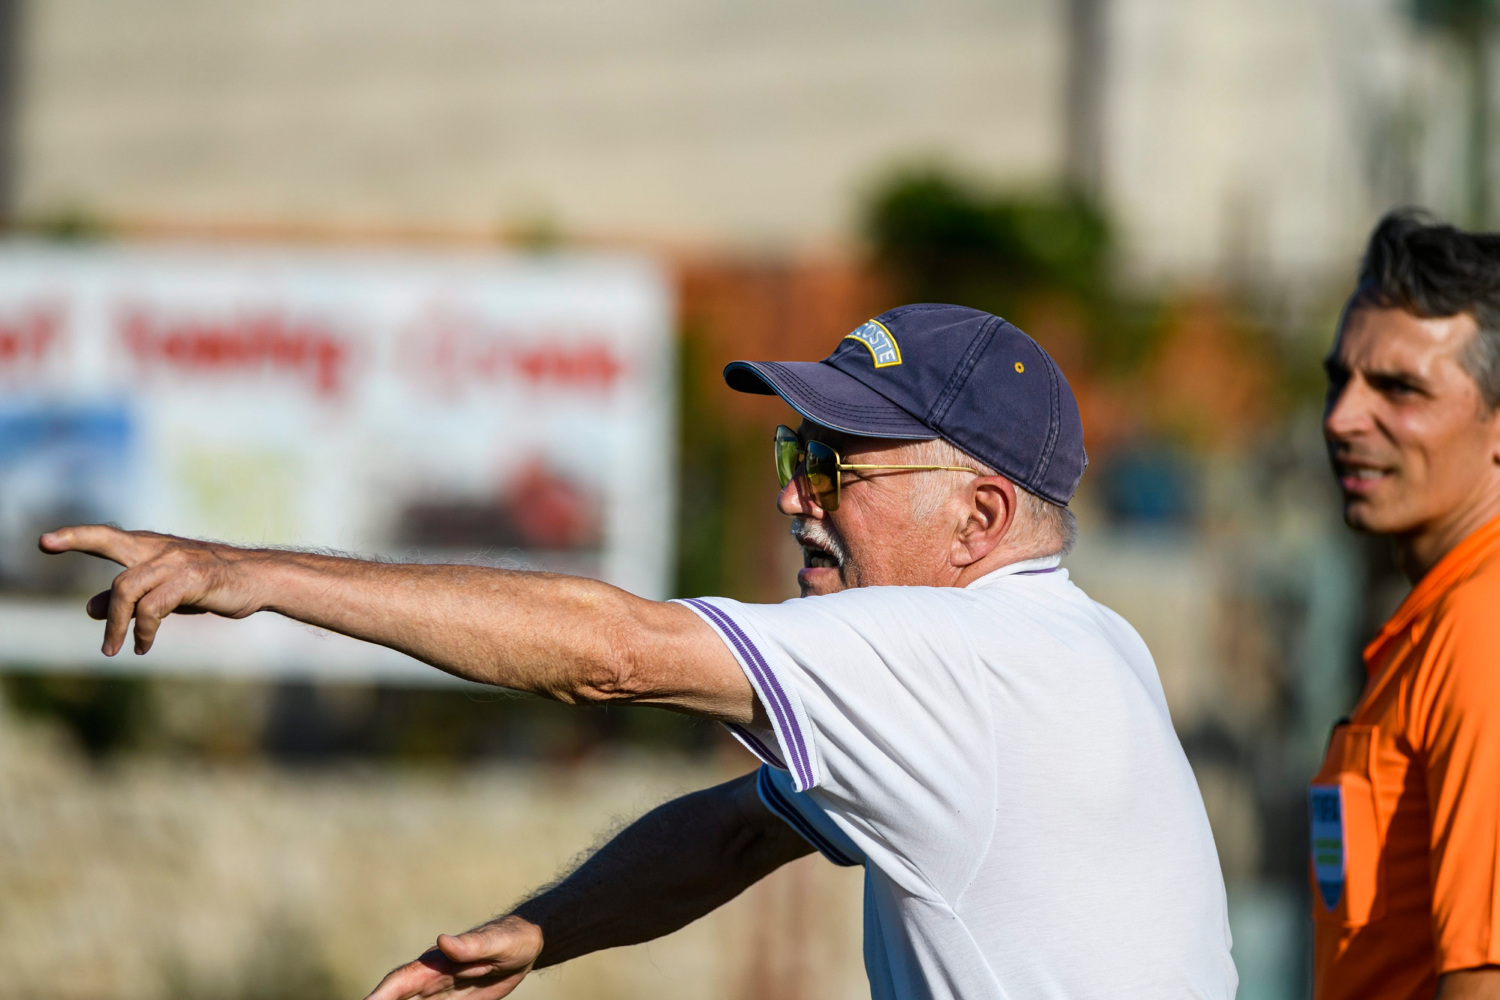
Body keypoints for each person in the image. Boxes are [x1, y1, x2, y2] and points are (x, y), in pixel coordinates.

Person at [42, 303, 1236, 1000]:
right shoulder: (1078, 643)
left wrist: (249, 575)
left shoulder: (961, 656)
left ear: (979, 519)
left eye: (835, 468)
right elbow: (741, 824)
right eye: (793, 457)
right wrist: (543, 931)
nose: (795, 501)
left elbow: (609, 653)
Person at [1316, 210, 1500, 1000]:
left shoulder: (1481, 627)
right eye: (1341, 380)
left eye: (1400, 388)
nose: (1343, 419)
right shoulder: (1435, 618)